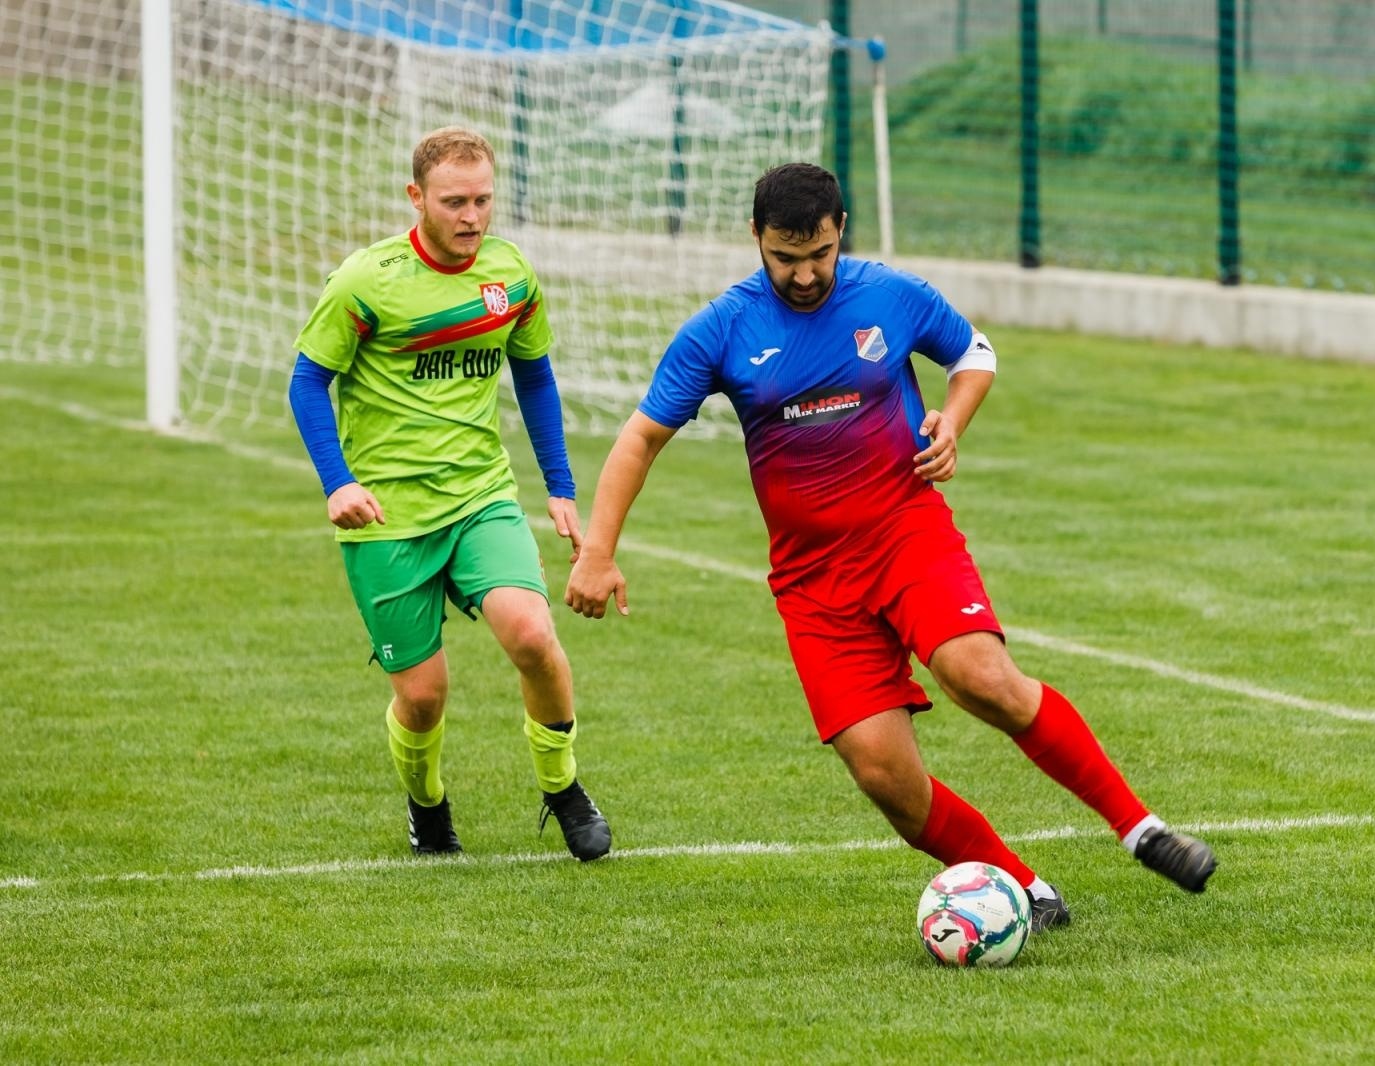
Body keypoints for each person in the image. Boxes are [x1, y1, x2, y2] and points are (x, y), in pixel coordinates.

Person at [564, 162, 1213, 924]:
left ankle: (1142, 831)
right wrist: (598, 552)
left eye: (820, 254)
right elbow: (640, 439)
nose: (805, 275)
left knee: (982, 676)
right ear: (755, 239)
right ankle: (1022, 887)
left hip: (907, 536)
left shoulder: (889, 295)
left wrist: (952, 419)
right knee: (885, 779)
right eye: (785, 258)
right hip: (812, 584)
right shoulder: (722, 329)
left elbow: (974, 353)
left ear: (841, 229)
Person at [288, 126, 610, 861]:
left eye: (483, 200)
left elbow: (534, 374)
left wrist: (559, 487)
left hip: (479, 497)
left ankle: (563, 789)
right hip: (387, 516)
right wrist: (338, 483)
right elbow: (307, 380)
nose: (472, 216)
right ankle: (427, 806)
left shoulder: (510, 275)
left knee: (533, 635)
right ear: (417, 198)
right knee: (424, 696)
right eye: (455, 201)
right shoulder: (368, 280)